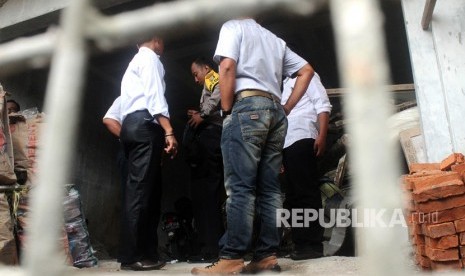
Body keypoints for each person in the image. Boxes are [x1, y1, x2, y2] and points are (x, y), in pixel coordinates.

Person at [191, 18, 314, 274]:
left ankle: (232, 257)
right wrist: (287, 107)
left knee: (240, 187)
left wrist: (226, 113)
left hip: (246, 107)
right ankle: (267, 256)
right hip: (275, 111)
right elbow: (307, 71)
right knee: (269, 189)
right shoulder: (275, 40)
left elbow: (226, 67)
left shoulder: (233, 27)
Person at [118, 36, 178, 271]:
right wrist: (169, 130)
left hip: (131, 125)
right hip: (145, 124)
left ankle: (143, 253)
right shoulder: (150, 58)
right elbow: (155, 96)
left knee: (142, 191)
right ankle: (133, 256)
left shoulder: (133, 62)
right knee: (142, 193)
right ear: (156, 40)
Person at [281, 72, 332, 260]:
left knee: (306, 192)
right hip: (287, 143)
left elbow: (323, 105)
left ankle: (313, 244)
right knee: (293, 196)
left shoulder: (308, 76)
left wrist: (322, 136)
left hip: (303, 137)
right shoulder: (285, 84)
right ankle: (301, 244)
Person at [186, 57, 226, 263]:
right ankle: (210, 247)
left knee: (208, 192)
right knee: (208, 193)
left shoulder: (212, 77)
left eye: (196, 74)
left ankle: (211, 249)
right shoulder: (207, 81)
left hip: (212, 136)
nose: (195, 79)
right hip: (213, 134)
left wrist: (202, 114)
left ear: (206, 68)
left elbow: (219, 91)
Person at [102, 96, 128, 193]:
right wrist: (132, 141)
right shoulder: (128, 96)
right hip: (131, 153)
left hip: (150, 158)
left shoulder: (158, 103)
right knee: (131, 195)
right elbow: (109, 119)